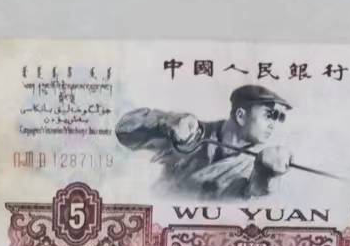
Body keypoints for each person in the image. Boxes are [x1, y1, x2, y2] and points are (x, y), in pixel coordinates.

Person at [115, 82, 293, 199]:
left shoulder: (257, 166)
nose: (274, 124)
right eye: (270, 115)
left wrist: (267, 174)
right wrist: (166, 121)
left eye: (280, 118)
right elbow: (124, 130)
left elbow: (254, 194)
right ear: (240, 115)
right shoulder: (188, 133)